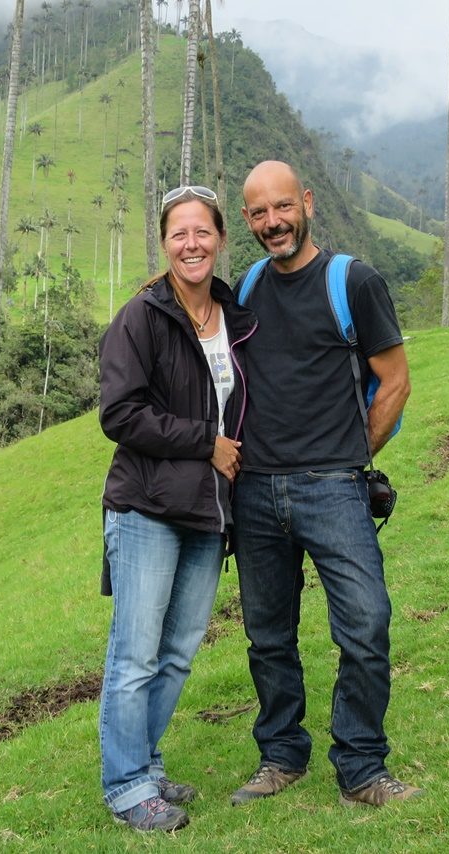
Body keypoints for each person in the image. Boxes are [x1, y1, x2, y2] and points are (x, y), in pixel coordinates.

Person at [229, 160, 419, 809]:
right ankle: (281, 753)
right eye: (258, 213)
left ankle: (361, 765)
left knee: (366, 623)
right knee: (268, 635)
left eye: (282, 207)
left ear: (306, 201)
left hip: (333, 489)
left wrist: (352, 454)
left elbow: (394, 380)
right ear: (248, 220)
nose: (273, 222)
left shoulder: (352, 282)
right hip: (255, 493)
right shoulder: (246, 289)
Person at [97, 185, 257, 832]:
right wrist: (207, 444)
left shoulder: (237, 317)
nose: (191, 244)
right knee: (134, 653)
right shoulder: (141, 318)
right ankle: (127, 784)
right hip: (147, 509)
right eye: (178, 234)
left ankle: (148, 764)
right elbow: (120, 414)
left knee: (178, 651)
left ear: (220, 238)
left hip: (207, 512)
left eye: (202, 232)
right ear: (164, 244)